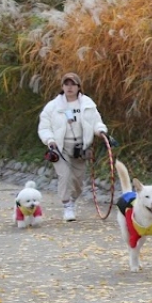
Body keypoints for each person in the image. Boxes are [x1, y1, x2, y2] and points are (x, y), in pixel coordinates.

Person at [37, 72, 109, 221]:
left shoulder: (88, 104)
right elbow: (44, 127)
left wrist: (101, 131)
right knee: (64, 175)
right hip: (59, 148)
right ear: (62, 87)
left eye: (72, 84)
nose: (69, 87)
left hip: (81, 148)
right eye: (66, 84)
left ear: (78, 87)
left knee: (77, 180)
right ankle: (67, 205)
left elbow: (96, 121)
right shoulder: (53, 106)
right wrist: (50, 140)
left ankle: (72, 200)